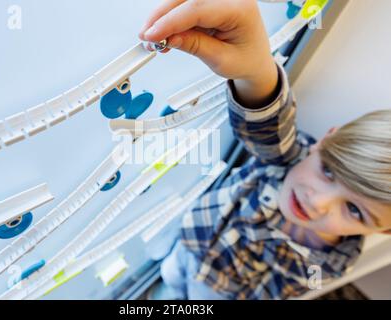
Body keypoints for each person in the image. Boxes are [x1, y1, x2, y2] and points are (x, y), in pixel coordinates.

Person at [139, 0, 391, 300]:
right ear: (326, 141)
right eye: (328, 171)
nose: (319, 201)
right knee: (166, 286)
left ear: (385, 231)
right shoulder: (290, 159)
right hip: (190, 240)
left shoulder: (330, 264)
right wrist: (255, 66)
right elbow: (267, 123)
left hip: (217, 293)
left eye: (353, 210)